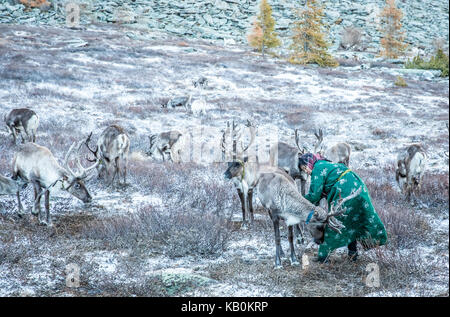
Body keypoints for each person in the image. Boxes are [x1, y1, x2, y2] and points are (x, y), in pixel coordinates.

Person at [298, 153, 388, 263]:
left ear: (309, 162)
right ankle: (353, 253)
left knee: (335, 223)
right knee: (353, 220)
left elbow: (314, 195)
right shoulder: (326, 164)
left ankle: (323, 257)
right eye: (303, 170)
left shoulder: (317, 169)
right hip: (359, 188)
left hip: (345, 191)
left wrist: (299, 201)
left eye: (304, 167)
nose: (306, 171)